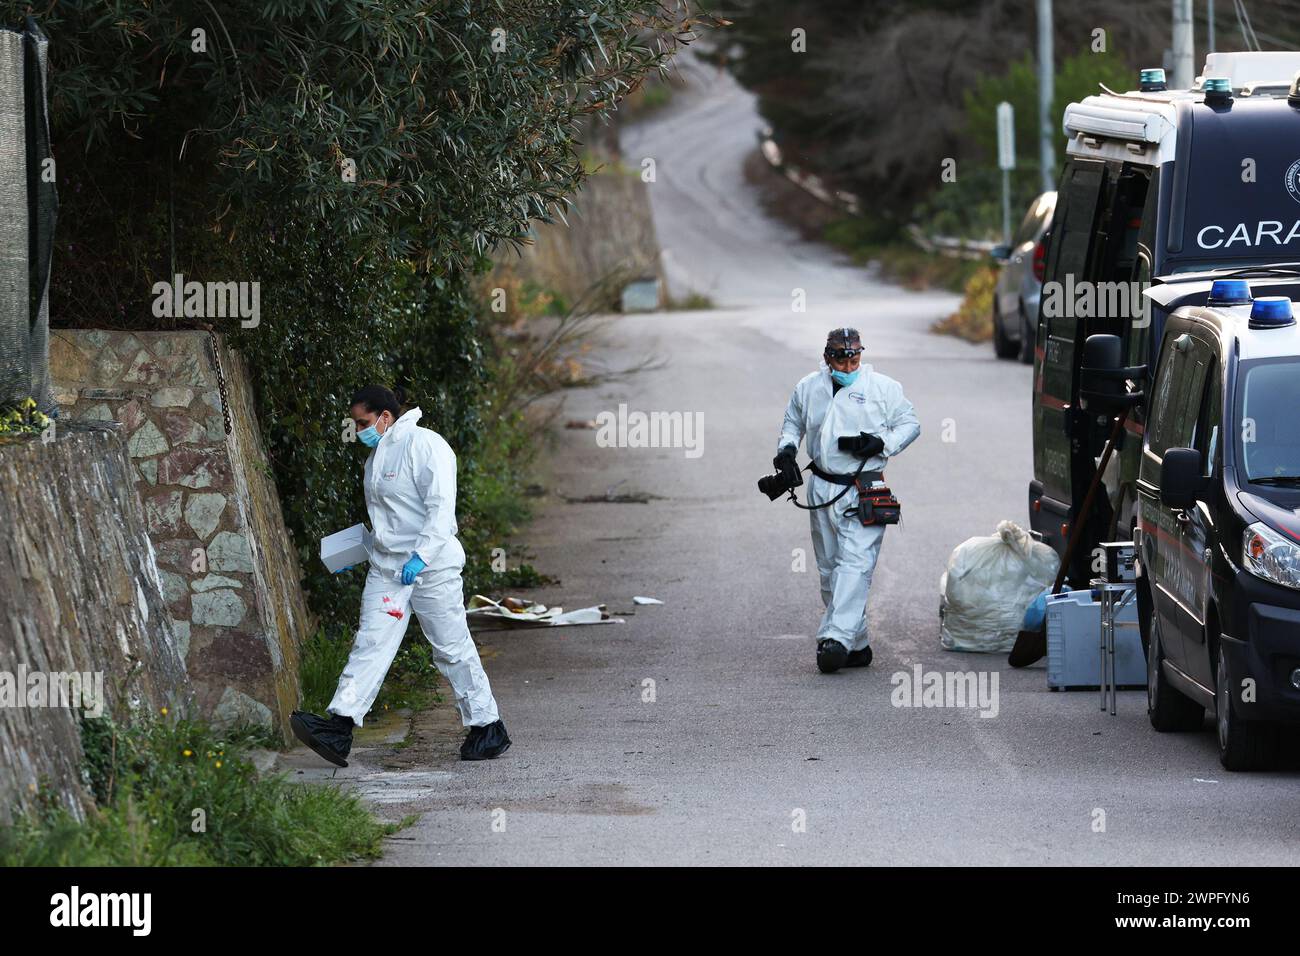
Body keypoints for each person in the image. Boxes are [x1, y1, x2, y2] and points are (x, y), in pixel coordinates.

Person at [290, 385, 510, 764]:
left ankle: (487, 727)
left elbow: (441, 509)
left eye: (363, 422)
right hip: (389, 569)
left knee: (451, 647)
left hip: (432, 568)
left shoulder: (426, 446)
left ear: (385, 417)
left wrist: (421, 557)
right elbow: (390, 522)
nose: (358, 430)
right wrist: (351, 549)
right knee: (370, 644)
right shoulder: (376, 458)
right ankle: (339, 727)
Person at [775, 329, 920, 673]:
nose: (848, 364)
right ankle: (858, 645)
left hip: (865, 488)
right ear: (827, 357)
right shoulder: (809, 388)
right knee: (829, 569)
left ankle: (835, 640)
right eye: (841, 358)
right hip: (822, 486)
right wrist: (786, 450)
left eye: (854, 358)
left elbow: (910, 424)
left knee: (854, 565)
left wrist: (880, 443)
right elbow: (793, 422)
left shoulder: (883, 388)